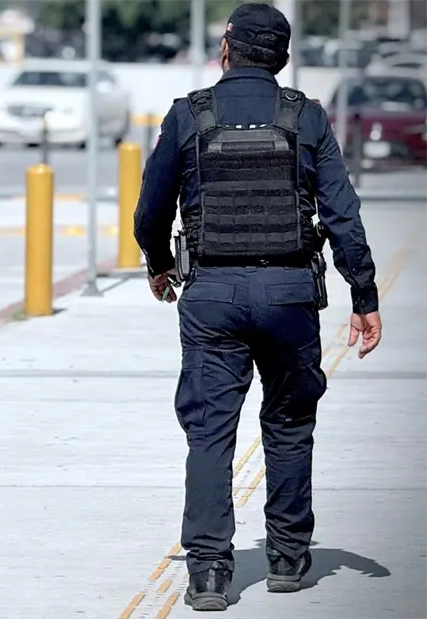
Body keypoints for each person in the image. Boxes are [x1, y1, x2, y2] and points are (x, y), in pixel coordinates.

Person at [133, 3, 382, 612]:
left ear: (227, 49)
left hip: (212, 297)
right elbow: (343, 216)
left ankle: (210, 573)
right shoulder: (307, 117)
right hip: (290, 295)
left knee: (210, 433)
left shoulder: (189, 115)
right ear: (283, 57)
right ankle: (289, 557)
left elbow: (150, 208)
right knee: (291, 424)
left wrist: (158, 263)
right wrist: (364, 295)